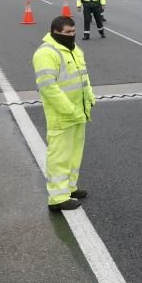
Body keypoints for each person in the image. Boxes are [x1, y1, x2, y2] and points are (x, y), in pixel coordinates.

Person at [32, 15, 95, 211]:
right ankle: (58, 198)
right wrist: (69, 109)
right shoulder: (45, 53)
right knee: (59, 155)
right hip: (62, 115)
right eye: (67, 33)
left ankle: (69, 188)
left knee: (74, 154)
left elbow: (84, 78)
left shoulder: (75, 50)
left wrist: (90, 98)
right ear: (55, 32)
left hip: (79, 113)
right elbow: (48, 87)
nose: (71, 35)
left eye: (73, 32)